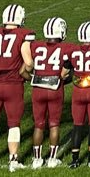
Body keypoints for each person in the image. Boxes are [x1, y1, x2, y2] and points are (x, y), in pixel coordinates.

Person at [0, 5, 36, 172]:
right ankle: (13, 160)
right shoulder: (23, 35)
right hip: (13, 85)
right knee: (13, 124)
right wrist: (28, 73)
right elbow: (28, 61)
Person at [27, 18, 70, 169]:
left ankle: (36, 159)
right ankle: (52, 158)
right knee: (54, 124)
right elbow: (67, 68)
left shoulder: (36, 46)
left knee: (38, 124)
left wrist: (30, 78)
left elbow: (26, 67)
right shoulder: (66, 47)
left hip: (38, 87)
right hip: (55, 88)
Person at [62, 22, 90, 168]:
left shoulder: (72, 50)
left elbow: (63, 73)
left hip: (78, 89)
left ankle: (74, 159)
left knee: (77, 125)